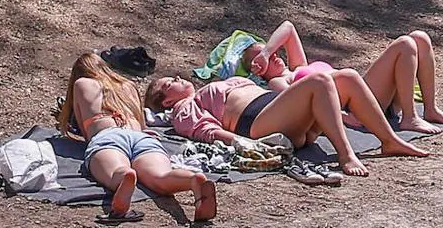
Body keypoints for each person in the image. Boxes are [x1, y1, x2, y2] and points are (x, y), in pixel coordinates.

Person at [144, 67, 427, 177]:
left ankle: (389, 140)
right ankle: (346, 154)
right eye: (171, 83)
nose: (179, 78)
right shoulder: (184, 108)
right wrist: (239, 142)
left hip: (279, 112)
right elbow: (204, 130)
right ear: (167, 101)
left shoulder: (211, 87)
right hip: (256, 124)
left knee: (348, 77)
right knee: (318, 80)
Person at [57, 52, 216, 225]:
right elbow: (141, 124)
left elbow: (84, 128)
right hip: (140, 137)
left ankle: (123, 177)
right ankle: (193, 180)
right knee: (161, 176)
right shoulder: (128, 85)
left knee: (116, 170)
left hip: (108, 136)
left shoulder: (82, 84)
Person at [242, 21, 443, 135]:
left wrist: (265, 51)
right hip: (356, 106)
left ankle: (430, 109)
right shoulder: (277, 83)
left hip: (372, 93)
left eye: (273, 53)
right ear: (258, 70)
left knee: (419, 38)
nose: (274, 57)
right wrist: (343, 117)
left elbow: (288, 27)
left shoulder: (299, 66)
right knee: (405, 44)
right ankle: (409, 118)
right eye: (266, 60)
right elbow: (302, 107)